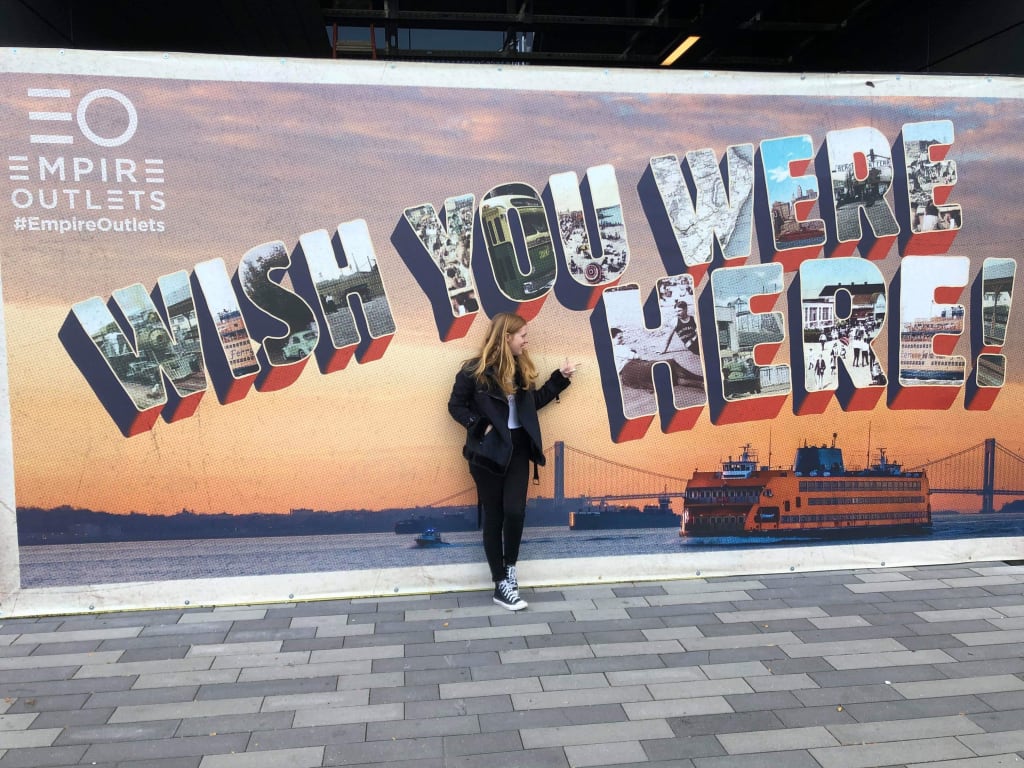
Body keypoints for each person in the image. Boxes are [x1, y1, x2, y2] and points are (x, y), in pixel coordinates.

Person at [448, 313, 577, 611]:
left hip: (518, 449)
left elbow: (533, 405)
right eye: (523, 336)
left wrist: (560, 378)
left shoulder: (520, 370)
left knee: (515, 511)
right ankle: (500, 584)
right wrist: (479, 425)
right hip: (487, 454)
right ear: (507, 337)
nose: (526, 341)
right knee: (494, 516)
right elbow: (455, 405)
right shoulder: (474, 371)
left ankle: (510, 570)